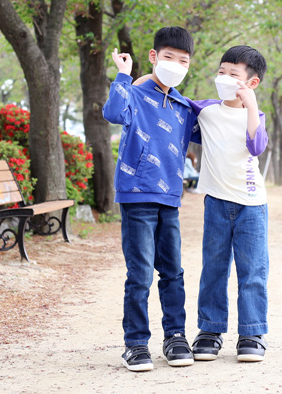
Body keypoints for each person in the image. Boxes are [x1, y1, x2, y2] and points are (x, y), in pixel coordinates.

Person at [102, 26, 198, 372]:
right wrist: (125, 75)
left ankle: (175, 337)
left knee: (173, 272)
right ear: (154, 56)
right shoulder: (134, 94)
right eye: (169, 57)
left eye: (183, 60)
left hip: (170, 199)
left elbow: (217, 127)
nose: (176, 65)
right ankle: (136, 344)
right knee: (140, 273)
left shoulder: (184, 107)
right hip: (137, 196)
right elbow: (113, 113)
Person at [188, 45, 270, 363]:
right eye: (221, 71)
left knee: (253, 271)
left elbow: (256, 146)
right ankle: (209, 330)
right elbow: (172, 105)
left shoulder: (255, 116)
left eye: (233, 74)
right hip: (217, 204)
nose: (223, 77)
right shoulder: (205, 111)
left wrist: (251, 105)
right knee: (213, 268)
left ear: (251, 82)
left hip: (252, 205)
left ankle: (251, 333)